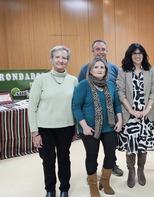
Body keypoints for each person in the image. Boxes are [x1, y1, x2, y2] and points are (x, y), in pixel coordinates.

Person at [28, 46, 78, 197]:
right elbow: (32, 107)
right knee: (48, 161)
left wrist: (75, 128)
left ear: (67, 61)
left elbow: (75, 106)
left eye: (64, 58)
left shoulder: (73, 80)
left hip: (66, 127)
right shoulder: (41, 79)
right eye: (57, 57)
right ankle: (50, 189)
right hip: (45, 128)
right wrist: (34, 132)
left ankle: (64, 189)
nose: (60, 60)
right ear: (51, 59)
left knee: (64, 159)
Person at [72, 58, 122, 196]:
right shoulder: (83, 85)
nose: (100, 69)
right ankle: (93, 185)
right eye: (96, 67)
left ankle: (105, 181)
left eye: (102, 67)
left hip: (109, 127)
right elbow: (76, 107)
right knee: (92, 156)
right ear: (90, 70)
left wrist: (120, 121)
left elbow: (117, 104)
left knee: (111, 156)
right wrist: (84, 126)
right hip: (89, 129)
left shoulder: (110, 85)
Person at [77, 40, 123, 177]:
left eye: (103, 49)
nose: (100, 52)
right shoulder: (84, 69)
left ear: (107, 50)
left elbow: (117, 92)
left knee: (110, 150)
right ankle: (92, 174)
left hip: (110, 119)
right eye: (97, 49)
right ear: (93, 51)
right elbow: (80, 93)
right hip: (91, 120)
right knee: (92, 152)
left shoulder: (114, 68)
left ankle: (112, 166)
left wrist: (119, 118)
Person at [116, 43, 154, 188]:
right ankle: (131, 171)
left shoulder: (150, 71)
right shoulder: (123, 71)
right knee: (130, 146)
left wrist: (148, 109)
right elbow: (120, 92)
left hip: (146, 115)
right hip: (130, 115)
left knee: (143, 145)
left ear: (144, 55)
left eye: (140, 53)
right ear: (130, 55)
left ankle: (141, 171)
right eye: (134, 53)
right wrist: (132, 111)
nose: (137, 55)